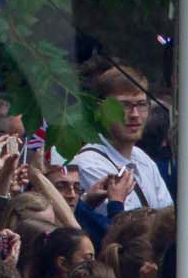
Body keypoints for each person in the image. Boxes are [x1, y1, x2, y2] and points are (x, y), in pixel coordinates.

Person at [71, 65, 174, 212]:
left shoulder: (142, 158)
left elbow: (166, 214)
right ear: (101, 109)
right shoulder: (89, 164)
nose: (135, 114)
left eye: (141, 104)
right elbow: (128, 227)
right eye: (124, 105)